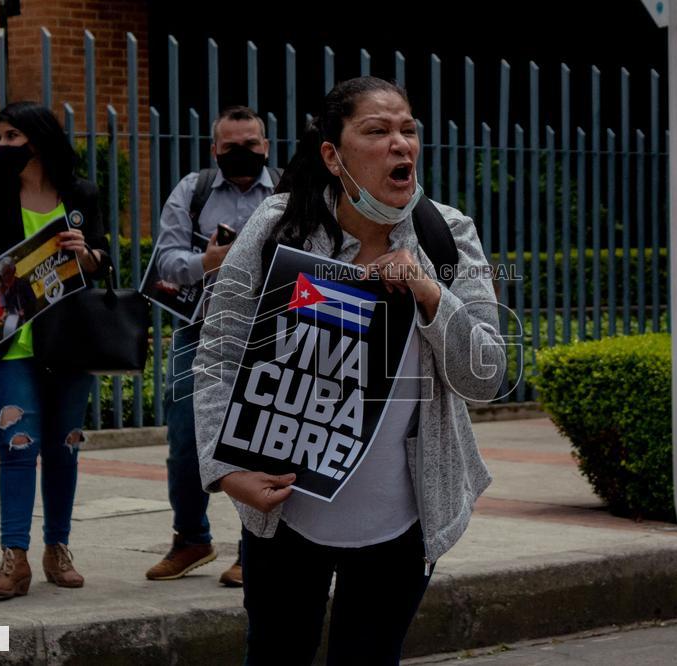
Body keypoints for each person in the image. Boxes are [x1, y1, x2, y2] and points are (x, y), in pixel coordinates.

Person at [192, 77, 505, 664]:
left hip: (403, 525)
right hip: (283, 516)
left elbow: (485, 377)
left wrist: (430, 293)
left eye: (408, 130)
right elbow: (217, 352)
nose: (400, 144)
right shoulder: (277, 225)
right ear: (333, 156)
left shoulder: (448, 234)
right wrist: (225, 468)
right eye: (377, 131)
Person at [0, 101, 110, 599]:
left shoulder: (81, 193)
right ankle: (14, 557)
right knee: (18, 444)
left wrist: (86, 255)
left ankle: (57, 548)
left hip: (68, 339)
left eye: (12, 136)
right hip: (12, 341)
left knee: (64, 446)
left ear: (40, 139)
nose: (2, 145)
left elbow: (104, 260)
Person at [145, 106, 278, 587]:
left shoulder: (288, 192)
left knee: (262, 440)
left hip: (269, 332)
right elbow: (165, 261)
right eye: (231, 146)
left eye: (251, 144)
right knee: (185, 438)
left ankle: (253, 547)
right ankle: (191, 538)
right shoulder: (193, 190)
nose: (242, 152)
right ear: (214, 149)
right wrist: (209, 260)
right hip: (200, 330)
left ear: (265, 145)